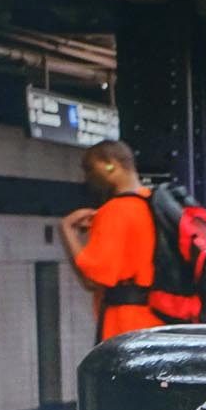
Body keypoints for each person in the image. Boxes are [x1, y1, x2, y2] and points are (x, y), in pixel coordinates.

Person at [59, 140, 160, 340]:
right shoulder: (155, 205)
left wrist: (67, 231)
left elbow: (91, 280)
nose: (87, 177)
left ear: (110, 164)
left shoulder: (115, 211)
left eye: (89, 168)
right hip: (162, 323)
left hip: (128, 328)